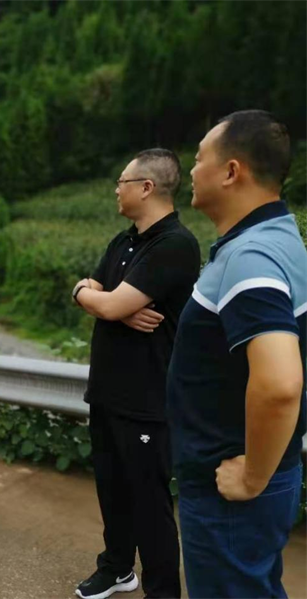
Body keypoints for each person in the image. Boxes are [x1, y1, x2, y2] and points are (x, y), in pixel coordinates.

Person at [167, 110, 306, 599]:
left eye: (199, 158)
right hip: (263, 474)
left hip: (231, 489)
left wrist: (251, 478)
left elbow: (281, 384)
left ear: (231, 171)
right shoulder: (279, 238)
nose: (191, 169)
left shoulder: (251, 257)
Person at [71, 149, 201, 599]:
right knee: (112, 489)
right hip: (107, 390)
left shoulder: (175, 244)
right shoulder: (123, 241)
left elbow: (104, 300)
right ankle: (117, 568)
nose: (116, 190)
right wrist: (100, 299)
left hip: (147, 397)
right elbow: (97, 292)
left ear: (146, 187)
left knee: (149, 502)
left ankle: (162, 591)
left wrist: (104, 302)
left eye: (122, 182)